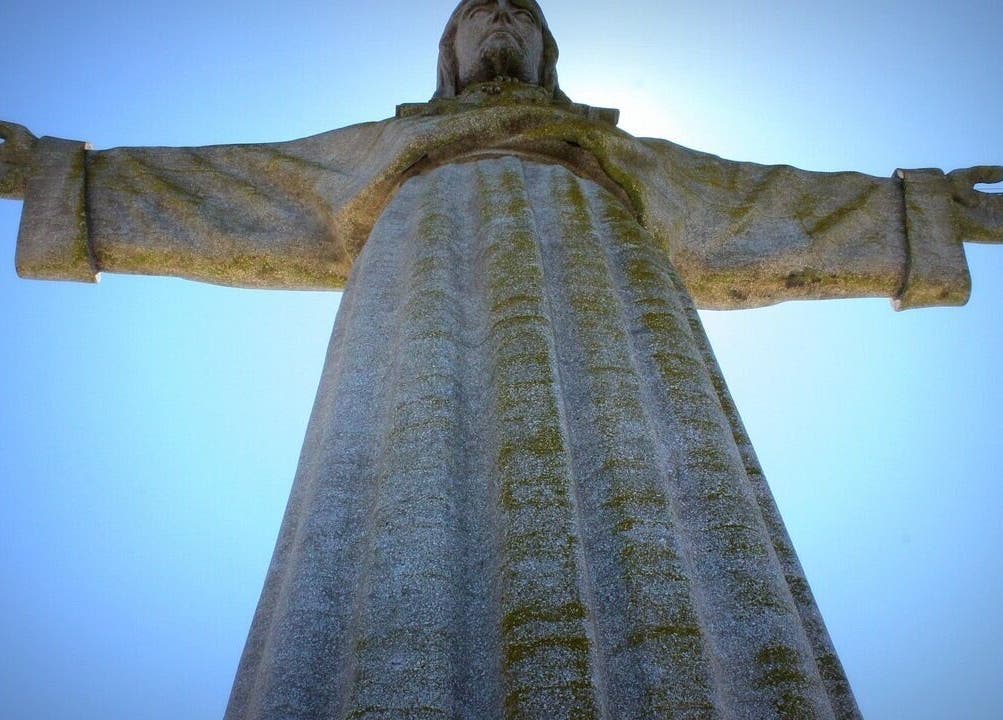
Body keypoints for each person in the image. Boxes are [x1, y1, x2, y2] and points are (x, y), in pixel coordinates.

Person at [2, 1, 1001, 718]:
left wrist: (928, 208)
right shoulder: (378, 153)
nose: (497, 22)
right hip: (418, 277)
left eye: (517, 13)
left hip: (614, 286)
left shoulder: (612, 154)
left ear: (544, 48)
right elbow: (223, 189)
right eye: (478, 12)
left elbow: (770, 206)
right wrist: (58, 176)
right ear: (446, 52)